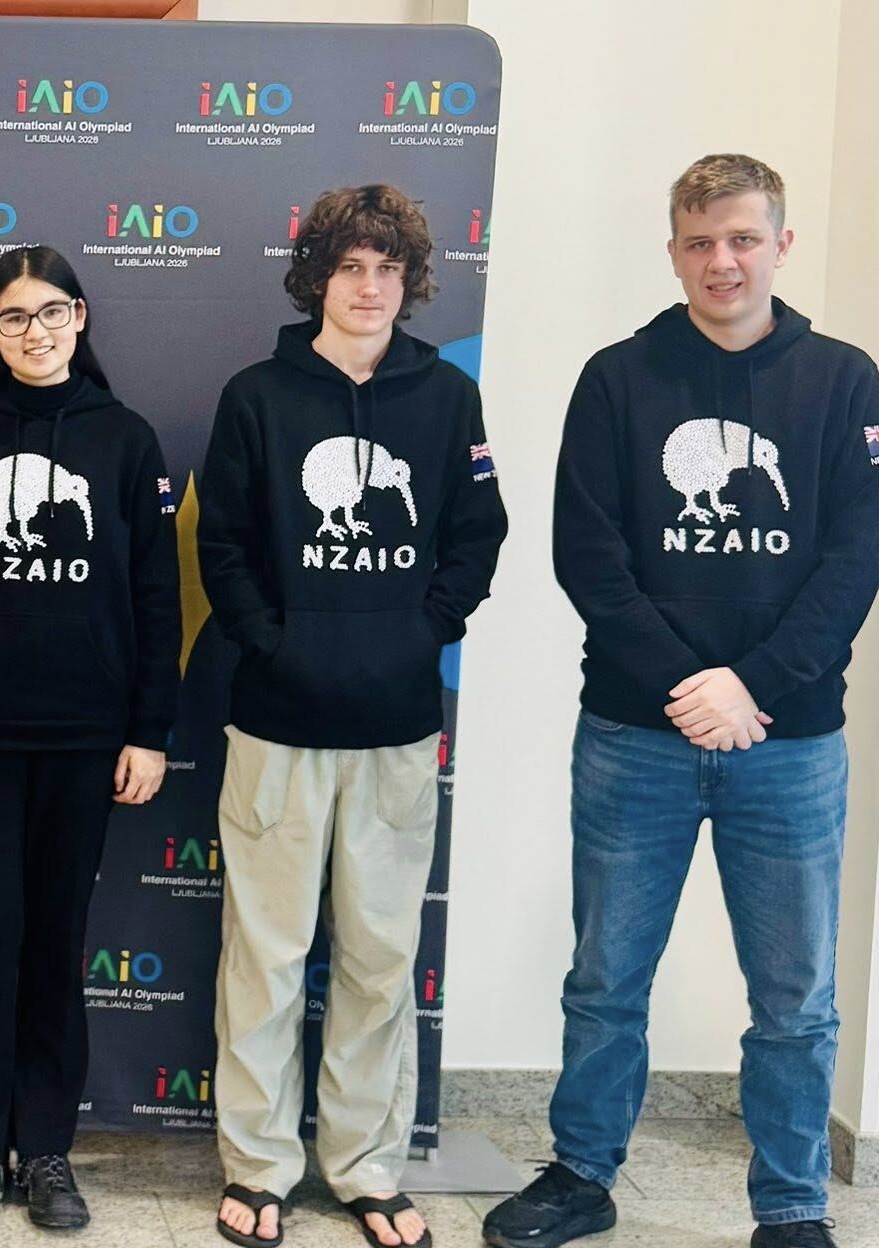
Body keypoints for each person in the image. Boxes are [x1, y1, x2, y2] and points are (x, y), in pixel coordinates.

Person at [484, 155, 879, 1248]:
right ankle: (580, 1174)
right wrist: (683, 684)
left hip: (787, 741)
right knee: (605, 974)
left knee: (794, 998)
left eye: (742, 239)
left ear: (780, 246)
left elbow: (855, 558)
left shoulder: (846, 381)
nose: (721, 260)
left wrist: (748, 686)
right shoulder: (617, 378)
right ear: (672, 251)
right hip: (631, 734)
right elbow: (586, 553)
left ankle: (791, 1205)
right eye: (699, 241)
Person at [199, 184, 507, 1248]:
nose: (368, 287)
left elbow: (476, 533)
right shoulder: (256, 395)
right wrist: (274, 639)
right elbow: (222, 545)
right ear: (316, 279)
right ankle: (258, 1166)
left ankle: (367, 1166)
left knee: (378, 959)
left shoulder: (443, 398)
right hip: (274, 724)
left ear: (407, 283)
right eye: (348, 267)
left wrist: (417, 630)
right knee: (265, 956)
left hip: (394, 726)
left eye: (386, 269)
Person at [0, 244, 180, 1232]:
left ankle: (44, 1150)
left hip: (85, 740)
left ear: (81, 318)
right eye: (14, 318)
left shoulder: (124, 441)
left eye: (51, 312)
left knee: (52, 947)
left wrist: (147, 731)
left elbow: (152, 596)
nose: (35, 331)